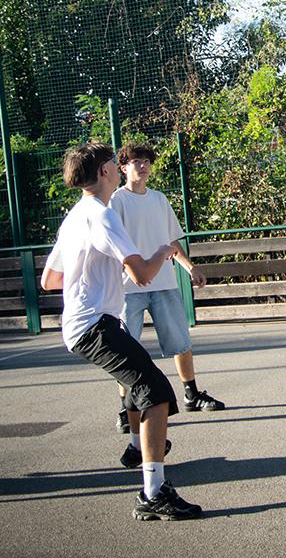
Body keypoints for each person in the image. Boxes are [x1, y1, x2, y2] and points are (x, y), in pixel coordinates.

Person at [40, 143, 202, 520]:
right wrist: (164, 252)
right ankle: (153, 492)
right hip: (94, 325)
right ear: (103, 173)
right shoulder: (103, 216)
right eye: (113, 163)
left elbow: (50, 280)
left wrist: (92, 270)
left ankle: (136, 450)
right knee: (157, 392)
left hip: (86, 323)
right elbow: (143, 275)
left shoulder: (75, 216)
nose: (118, 167)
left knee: (136, 386)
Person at [109, 144, 224, 439]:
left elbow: (172, 240)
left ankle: (191, 395)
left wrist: (190, 268)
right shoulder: (116, 201)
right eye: (136, 161)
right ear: (123, 168)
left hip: (164, 284)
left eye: (146, 161)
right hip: (127, 288)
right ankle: (126, 410)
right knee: (125, 351)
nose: (143, 166)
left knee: (181, 342)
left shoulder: (159, 200)